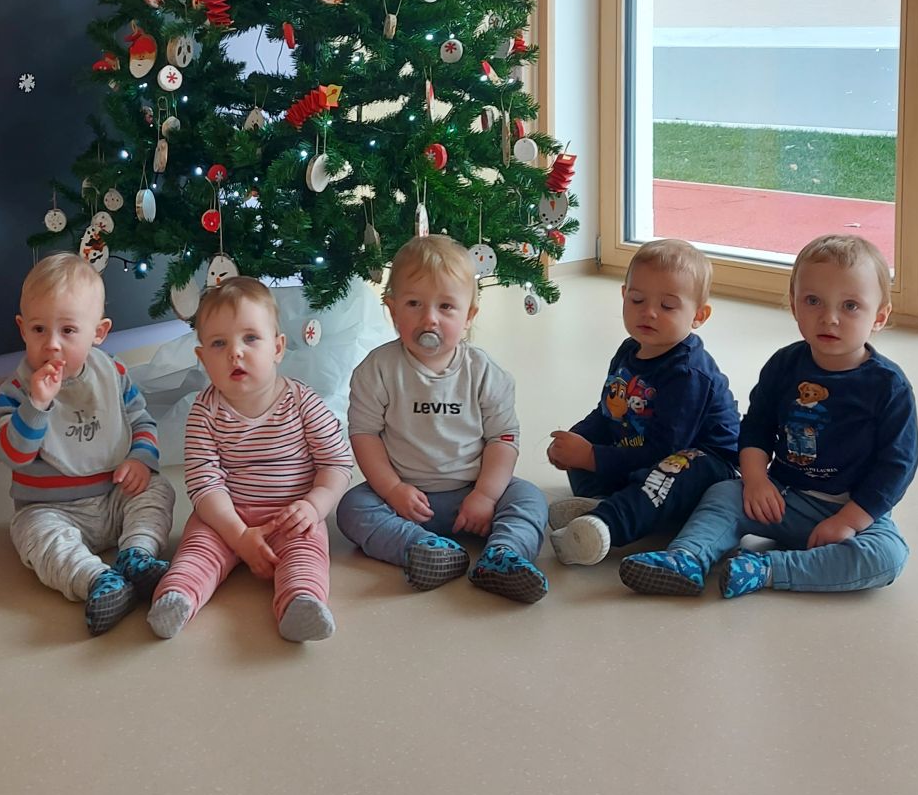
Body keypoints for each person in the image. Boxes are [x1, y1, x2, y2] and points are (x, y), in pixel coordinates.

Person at [620, 233, 916, 598]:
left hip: (853, 510)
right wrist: (756, 480)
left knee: (888, 556)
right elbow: (756, 429)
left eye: (850, 306)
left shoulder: (888, 385)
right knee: (723, 495)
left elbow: (897, 466)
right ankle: (686, 558)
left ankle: (765, 569)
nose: (829, 318)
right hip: (780, 498)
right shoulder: (784, 365)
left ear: (880, 316)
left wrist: (848, 520)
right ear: (794, 305)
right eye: (813, 301)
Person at [336, 235, 548, 603]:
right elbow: (364, 434)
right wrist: (392, 490)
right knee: (352, 508)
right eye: (414, 304)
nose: (429, 318)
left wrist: (486, 494)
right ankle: (424, 549)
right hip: (406, 498)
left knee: (530, 498)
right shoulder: (377, 370)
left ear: (469, 317)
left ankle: (505, 554)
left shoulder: (485, 373)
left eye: (446, 306)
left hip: (473, 488)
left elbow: (503, 438)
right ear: (392, 310)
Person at [147, 276, 351, 643]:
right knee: (197, 550)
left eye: (250, 338)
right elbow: (204, 483)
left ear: (278, 347)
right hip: (226, 516)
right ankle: (177, 597)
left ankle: (300, 603)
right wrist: (237, 535)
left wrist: (314, 506)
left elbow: (336, 463)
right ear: (202, 358)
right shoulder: (204, 412)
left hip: (290, 514)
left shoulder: (303, 402)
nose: (235, 352)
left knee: (306, 553)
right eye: (219, 343)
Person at [0, 253, 174, 635]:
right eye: (39, 329)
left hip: (114, 495)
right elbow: (12, 454)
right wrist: (37, 405)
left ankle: (137, 554)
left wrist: (140, 460)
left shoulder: (113, 373)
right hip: (49, 509)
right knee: (34, 535)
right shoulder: (15, 392)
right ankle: (97, 581)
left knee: (158, 488)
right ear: (22, 329)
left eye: (69, 331)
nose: (52, 345)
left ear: (99, 332)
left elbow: (141, 420)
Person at [544, 238, 739, 567]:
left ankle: (605, 525)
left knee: (670, 471)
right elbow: (608, 414)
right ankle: (601, 502)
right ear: (624, 296)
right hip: (641, 448)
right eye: (637, 300)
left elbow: (664, 450)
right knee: (585, 449)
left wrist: (593, 457)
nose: (648, 312)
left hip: (704, 461)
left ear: (698, 315)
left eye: (668, 306)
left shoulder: (688, 373)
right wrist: (577, 439)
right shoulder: (628, 351)